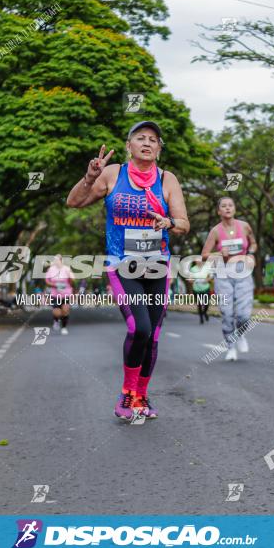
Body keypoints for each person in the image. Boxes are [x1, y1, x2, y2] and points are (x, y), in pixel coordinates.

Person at [67, 121, 190, 419]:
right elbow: (74, 202)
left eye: (153, 140)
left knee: (154, 335)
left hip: (157, 265)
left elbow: (184, 224)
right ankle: (126, 395)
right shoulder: (113, 174)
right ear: (128, 145)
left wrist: (169, 223)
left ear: (159, 150)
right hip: (122, 264)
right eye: (140, 138)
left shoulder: (167, 179)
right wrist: (89, 177)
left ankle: (142, 397)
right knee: (139, 328)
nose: (147, 143)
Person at [200, 196, 257, 361]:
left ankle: (240, 335)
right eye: (223, 206)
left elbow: (253, 243)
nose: (227, 208)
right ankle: (231, 346)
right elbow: (204, 255)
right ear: (219, 211)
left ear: (235, 209)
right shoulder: (215, 231)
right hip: (223, 272)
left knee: (244, 315)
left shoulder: (245, 227)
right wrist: (218, 253)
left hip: (242, 270)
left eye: (230, 205)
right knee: (227, 313)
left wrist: (251, 254)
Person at [45, 254, 74, 334]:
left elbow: (72, 279)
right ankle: (56, 320)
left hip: (66, 294)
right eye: (55, 260)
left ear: (61, 260)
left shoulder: (67, 269)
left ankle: (64, 328)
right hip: (55, 294)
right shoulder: (51, 269)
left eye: (57, 260)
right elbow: (47, 281)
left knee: (65, 310)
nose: (56, 261)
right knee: (57, 312)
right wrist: (54, 285)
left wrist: (68, 285)